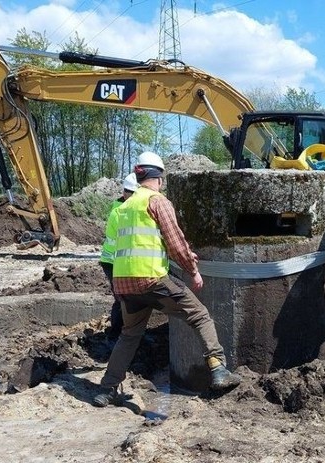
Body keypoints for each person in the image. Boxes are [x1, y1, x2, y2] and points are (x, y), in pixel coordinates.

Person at [94, 151, 242, 407]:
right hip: (151, 278)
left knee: (129, 335)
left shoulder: (125, 206)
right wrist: (192, 269)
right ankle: (218, 368)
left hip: (124, 282)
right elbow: (174, 242)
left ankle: (107, 389)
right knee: (200, 315)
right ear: (159, 178)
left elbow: (141, 240)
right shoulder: (157, 201)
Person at [99, 172, 138, 345]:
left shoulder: (127, 208)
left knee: (126, 297)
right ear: (125, 193)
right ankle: (115, 335)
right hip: (112, 261)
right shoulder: (120, 212)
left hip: (117, 260)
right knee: (121, 298)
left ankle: (123, 332)